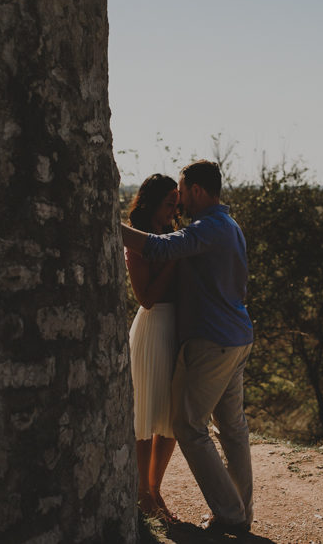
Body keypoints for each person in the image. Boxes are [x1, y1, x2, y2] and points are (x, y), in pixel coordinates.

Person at [121, 160, 254, 536]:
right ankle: (241, 512)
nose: (179, 206)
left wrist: (107, 223)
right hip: (237, 335)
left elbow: (159, 248)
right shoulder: (231, 226)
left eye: (182, 194)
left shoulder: (208, 228)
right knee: (231, 427)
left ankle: (230, 513)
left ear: (197, 190)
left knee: (188, 426)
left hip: (213, 341)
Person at [124, 173, 181, 523]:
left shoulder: (176, 235)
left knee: (172, 418)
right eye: (169, 202)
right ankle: (141, 493)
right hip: (153, 326)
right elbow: (144, 299)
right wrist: (175, 259)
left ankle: (155, 487)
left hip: (178, 329)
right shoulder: (138, 243)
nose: (174, 209)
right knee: (145, 415)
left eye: (177, 202)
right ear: (152, 203)